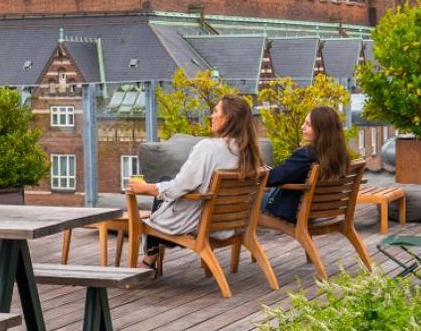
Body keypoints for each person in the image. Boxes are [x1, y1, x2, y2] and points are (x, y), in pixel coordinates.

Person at [126, 95, 263, 271]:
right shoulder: (250, 153)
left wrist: (146, 188)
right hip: (231, 224)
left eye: (215, 111)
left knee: (163, 189)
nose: (211, 116)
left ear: (227, 118)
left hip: (197, 222)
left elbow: (179, 187)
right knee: (165, 182)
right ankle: (151, 256)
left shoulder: (208, 147)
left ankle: (150, 257)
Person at [262, 105, 351, 222]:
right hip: (322, 210)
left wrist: (263, 170)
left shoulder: (306, 155)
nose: (302, 127)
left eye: (308, 124)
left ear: (322, 130)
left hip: (294, 211)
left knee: (250, 196)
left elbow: (272, 179)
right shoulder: (341, 156)